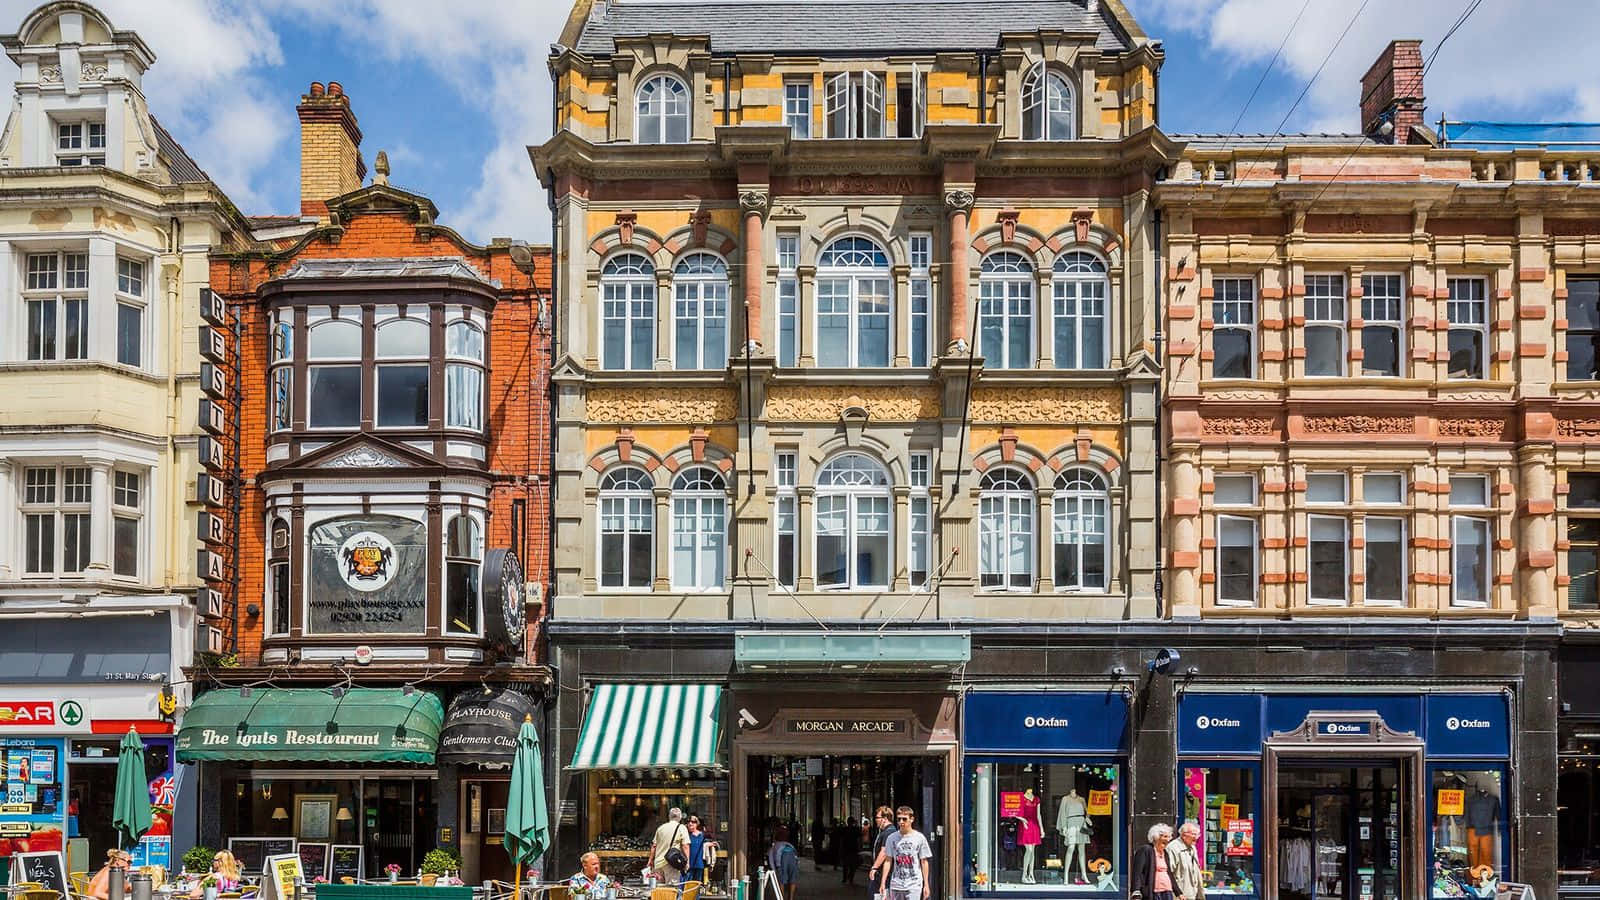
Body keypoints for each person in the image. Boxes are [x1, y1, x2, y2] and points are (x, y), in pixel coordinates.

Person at [874, 806, 931, 900]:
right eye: (899, 819)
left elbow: (924, 862)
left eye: (904, 819)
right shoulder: (891, 838)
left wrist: (926, 884)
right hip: (896, 884)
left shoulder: (919, 838)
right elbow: (888, 861)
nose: (901, 822)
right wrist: (883, 882)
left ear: (911, 819)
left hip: (914, 885)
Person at [1130, 823, 1176, 900]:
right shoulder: (1145, 850)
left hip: (1167, 891)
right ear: (1155, 837)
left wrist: (1178, 892)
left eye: (1169, 837)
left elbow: (1169, 874)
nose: (1168, 840)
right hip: (1153, 892)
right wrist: (1136, 891)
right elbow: (1137, 872)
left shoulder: (1165, 853)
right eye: (1165, 836)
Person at [651, 807, 691, 885]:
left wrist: (651, 860)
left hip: (658, 863)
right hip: (671, 863)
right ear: (680, 817)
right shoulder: (681, 828)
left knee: (660, 891)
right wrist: (687, 862)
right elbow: (685, 846)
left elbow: (654, 846)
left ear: (669, 816)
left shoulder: (661, 828)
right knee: (671, 889)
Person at [1167, 822, 1204, 900]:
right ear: (1184, 835)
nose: (1197, 837)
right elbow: (1168, 874)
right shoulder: (1173, 848)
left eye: (1198, 834)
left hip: (1193, 895)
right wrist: (1178, 893)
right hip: (1180, 896)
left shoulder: (1192, 848)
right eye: (1194, 834)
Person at [867, 807, 895, 898]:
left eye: (877, 818)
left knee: (878, 896)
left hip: (883, 874)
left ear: (885, 819)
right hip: (882, 873)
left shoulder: (889, 832)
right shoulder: (885, 832)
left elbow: (884, 852)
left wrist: (874, 867)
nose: (876, 820)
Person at [767, 825, 799, 900]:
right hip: (792, 859)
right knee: (792, 880)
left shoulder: (774, 846)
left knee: (782, 881)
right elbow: (796, 855)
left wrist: (774, 870)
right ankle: (791, 898)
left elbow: (771, 860)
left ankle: (781, 898)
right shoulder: (790, 845)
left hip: (781, 862)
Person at [685, 814, 716, 884]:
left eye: (693, 822)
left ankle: (697, 895)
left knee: (697, 884)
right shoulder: (685, 834)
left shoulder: (702, 834)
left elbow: (712, 841)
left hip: (699, 863)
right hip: (688, 864)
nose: (690, 823)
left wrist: (709, 844)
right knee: (687, 884)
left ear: (697, 823)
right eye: (688, 821)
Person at [837, 816, 862, 885]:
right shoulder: (855, 829)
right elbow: (859, 837)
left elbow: (841, 839)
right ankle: (850, 878)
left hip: (847, 849)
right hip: (853, 849)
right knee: (852, 865)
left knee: (846, 865)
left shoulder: (845, 829)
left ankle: (845, 878)